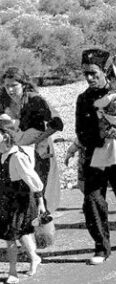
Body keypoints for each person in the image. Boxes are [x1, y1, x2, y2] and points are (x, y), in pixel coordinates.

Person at [76, 48, 116, 265]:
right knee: (93, 200)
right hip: (95, 156)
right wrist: (100, 135)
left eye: (94, 73)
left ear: (105, 72)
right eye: (86, 73)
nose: (90, 78)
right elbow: (81, 131)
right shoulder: (83, 99)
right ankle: (101, 248)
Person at [0, 67, 64, 214]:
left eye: (14, 85)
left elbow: (57, 123)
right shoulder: (3, 100)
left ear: (23, 84)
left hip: (39, 150)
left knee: (40, 188)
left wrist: (36, 140)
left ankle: (43, 228)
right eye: (7, 85)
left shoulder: (35, 99)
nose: (10, 89)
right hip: (13, 150)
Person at [0, 118, 46, 284]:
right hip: (5, 202)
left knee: (11, 236)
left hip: (20, 203)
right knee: (21, 233)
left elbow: (34, 181)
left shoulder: (17, 157)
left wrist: (41, 203)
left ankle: (13, 272)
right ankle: (34, 257)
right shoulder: (2, 155)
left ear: (5, 136)